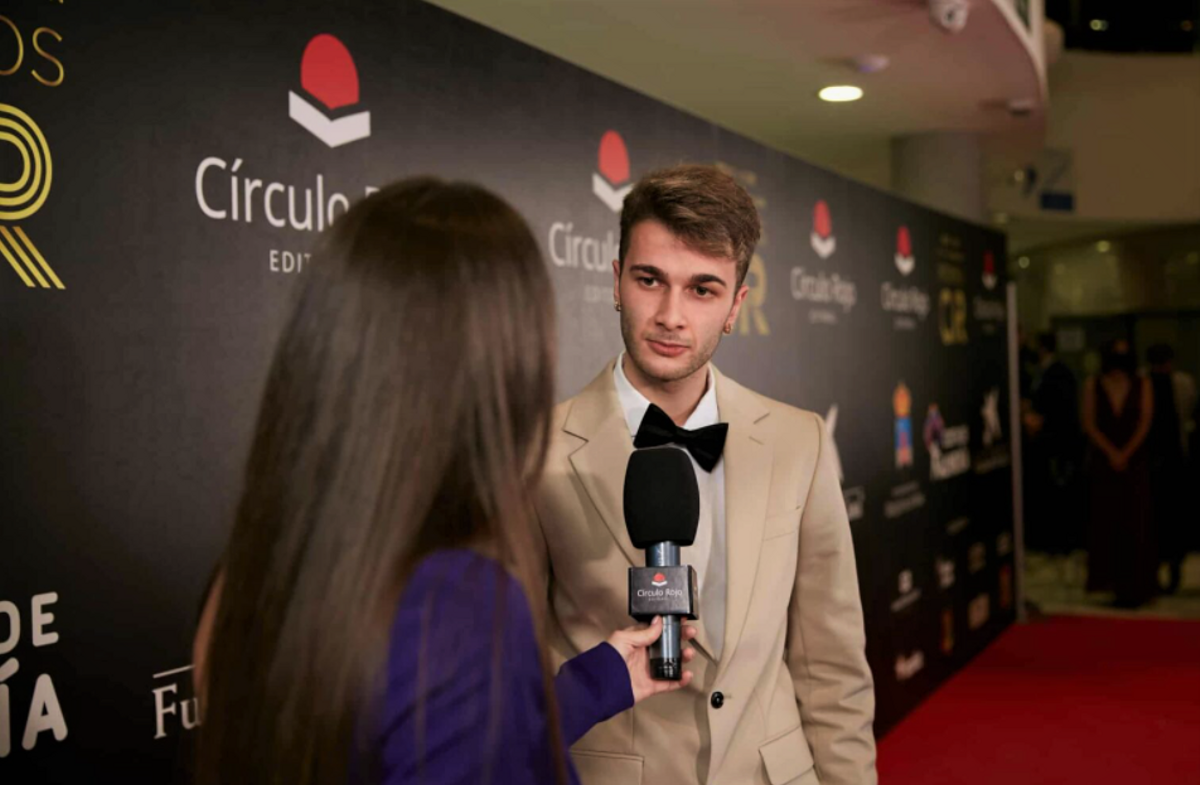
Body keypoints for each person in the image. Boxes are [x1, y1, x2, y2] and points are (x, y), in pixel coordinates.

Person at [192, 178, 697, 785]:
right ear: (497, 372)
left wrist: (600, 681)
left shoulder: (247, 574)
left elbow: (434, 734)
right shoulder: (458, 602)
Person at [531, 165, 876, 785]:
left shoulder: (799, 442)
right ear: (616, 281)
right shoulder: (533, 451)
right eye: (649, 280)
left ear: (737, 304)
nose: (670, 314)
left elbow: (833, 668)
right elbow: (510, 671)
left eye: (703, 289)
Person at [1082, 338, 1156, 608]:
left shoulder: (1142, 384)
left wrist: (1126, 452)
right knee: (1106, 518)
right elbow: (1089, 422)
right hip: (1105, 462)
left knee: (1136, 520)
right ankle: (1109, 580)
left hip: (1134, 463)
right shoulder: (1094, 384)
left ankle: (1137, 583)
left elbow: (1146, 421)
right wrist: (1111, 452)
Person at [1023, 332, 1082, 560]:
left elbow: (1061, 411)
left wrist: (1039, 420)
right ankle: (1052, 540)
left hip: (1058, 446)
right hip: (1050, 445)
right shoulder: (1045, 373)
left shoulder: (1058, 373)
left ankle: (1060, 542)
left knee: (1059, 496)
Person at [1145, 343, 1197, 593]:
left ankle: (1172, 568)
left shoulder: (1182, 383)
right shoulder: (1145, 383)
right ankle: (1158, 568)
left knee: (1173, 518)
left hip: (1174, 458)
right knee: (1158, 518)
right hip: (1153, 459)